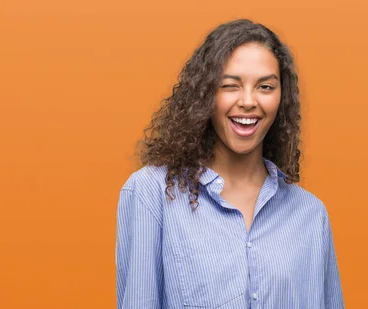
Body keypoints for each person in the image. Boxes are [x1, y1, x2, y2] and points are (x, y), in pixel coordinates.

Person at [115, 19, 344, 309]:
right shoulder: (152, 194)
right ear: (205, 94)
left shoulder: (311, 215)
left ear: (281, 98)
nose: (248, 101)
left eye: (265, 86)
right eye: (230, 85)